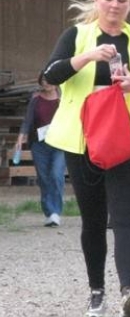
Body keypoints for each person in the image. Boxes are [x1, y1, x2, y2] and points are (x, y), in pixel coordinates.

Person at [42, 0, 130, 317]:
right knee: (93, 221)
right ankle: (97, 291)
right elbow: (50, 75)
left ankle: (129, 293)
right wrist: (87, 57)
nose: (114, 4)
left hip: (126, 143)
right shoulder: (77, 35)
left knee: (124, 218)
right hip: (82, 142)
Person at [16, 72, 66, 227]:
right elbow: (27, 120)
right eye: (43, 80)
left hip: (59, 143)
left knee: (56, 175)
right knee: (44, 178)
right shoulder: (36, 99)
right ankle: (49, 212)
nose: (46, 83)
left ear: (56, 81)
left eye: (49, 80)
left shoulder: (63, 98)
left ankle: (56, 212)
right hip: (39, 145)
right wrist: (20, 138)